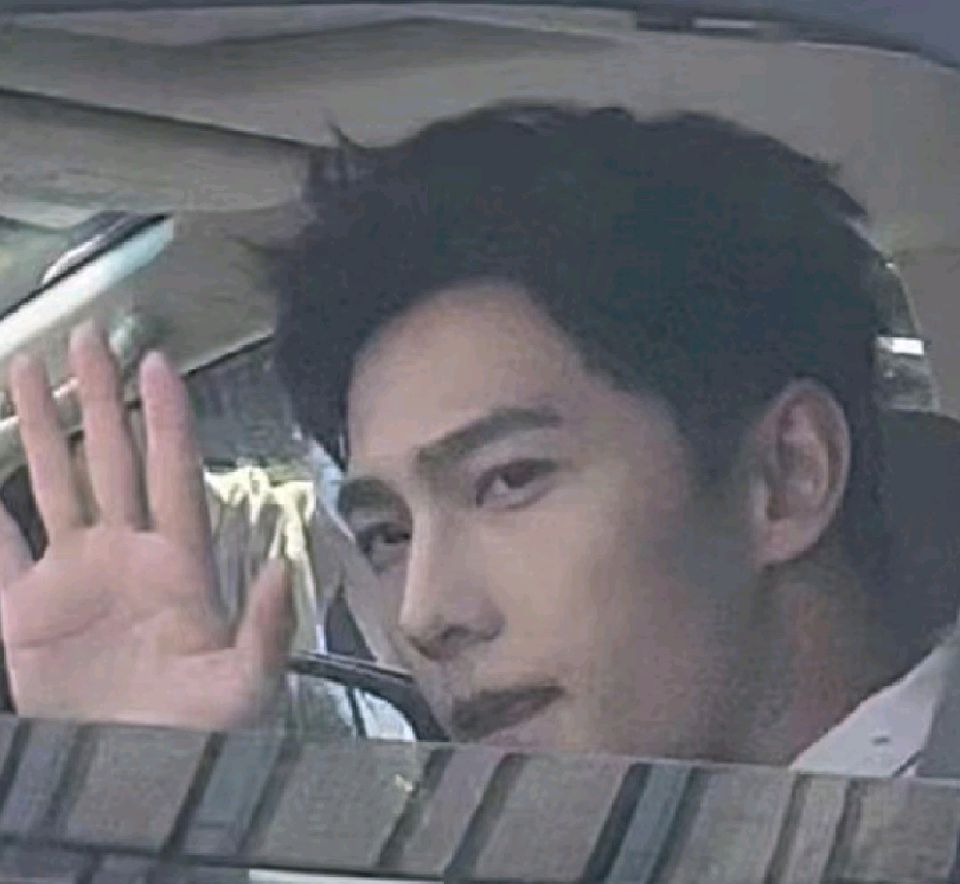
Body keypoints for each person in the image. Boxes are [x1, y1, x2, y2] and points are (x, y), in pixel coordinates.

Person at [0, 101, 946, 772]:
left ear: (785, 475)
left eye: (508, 480)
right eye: (386, 535)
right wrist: (145, 792)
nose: (424, 615)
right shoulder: (582, 871)